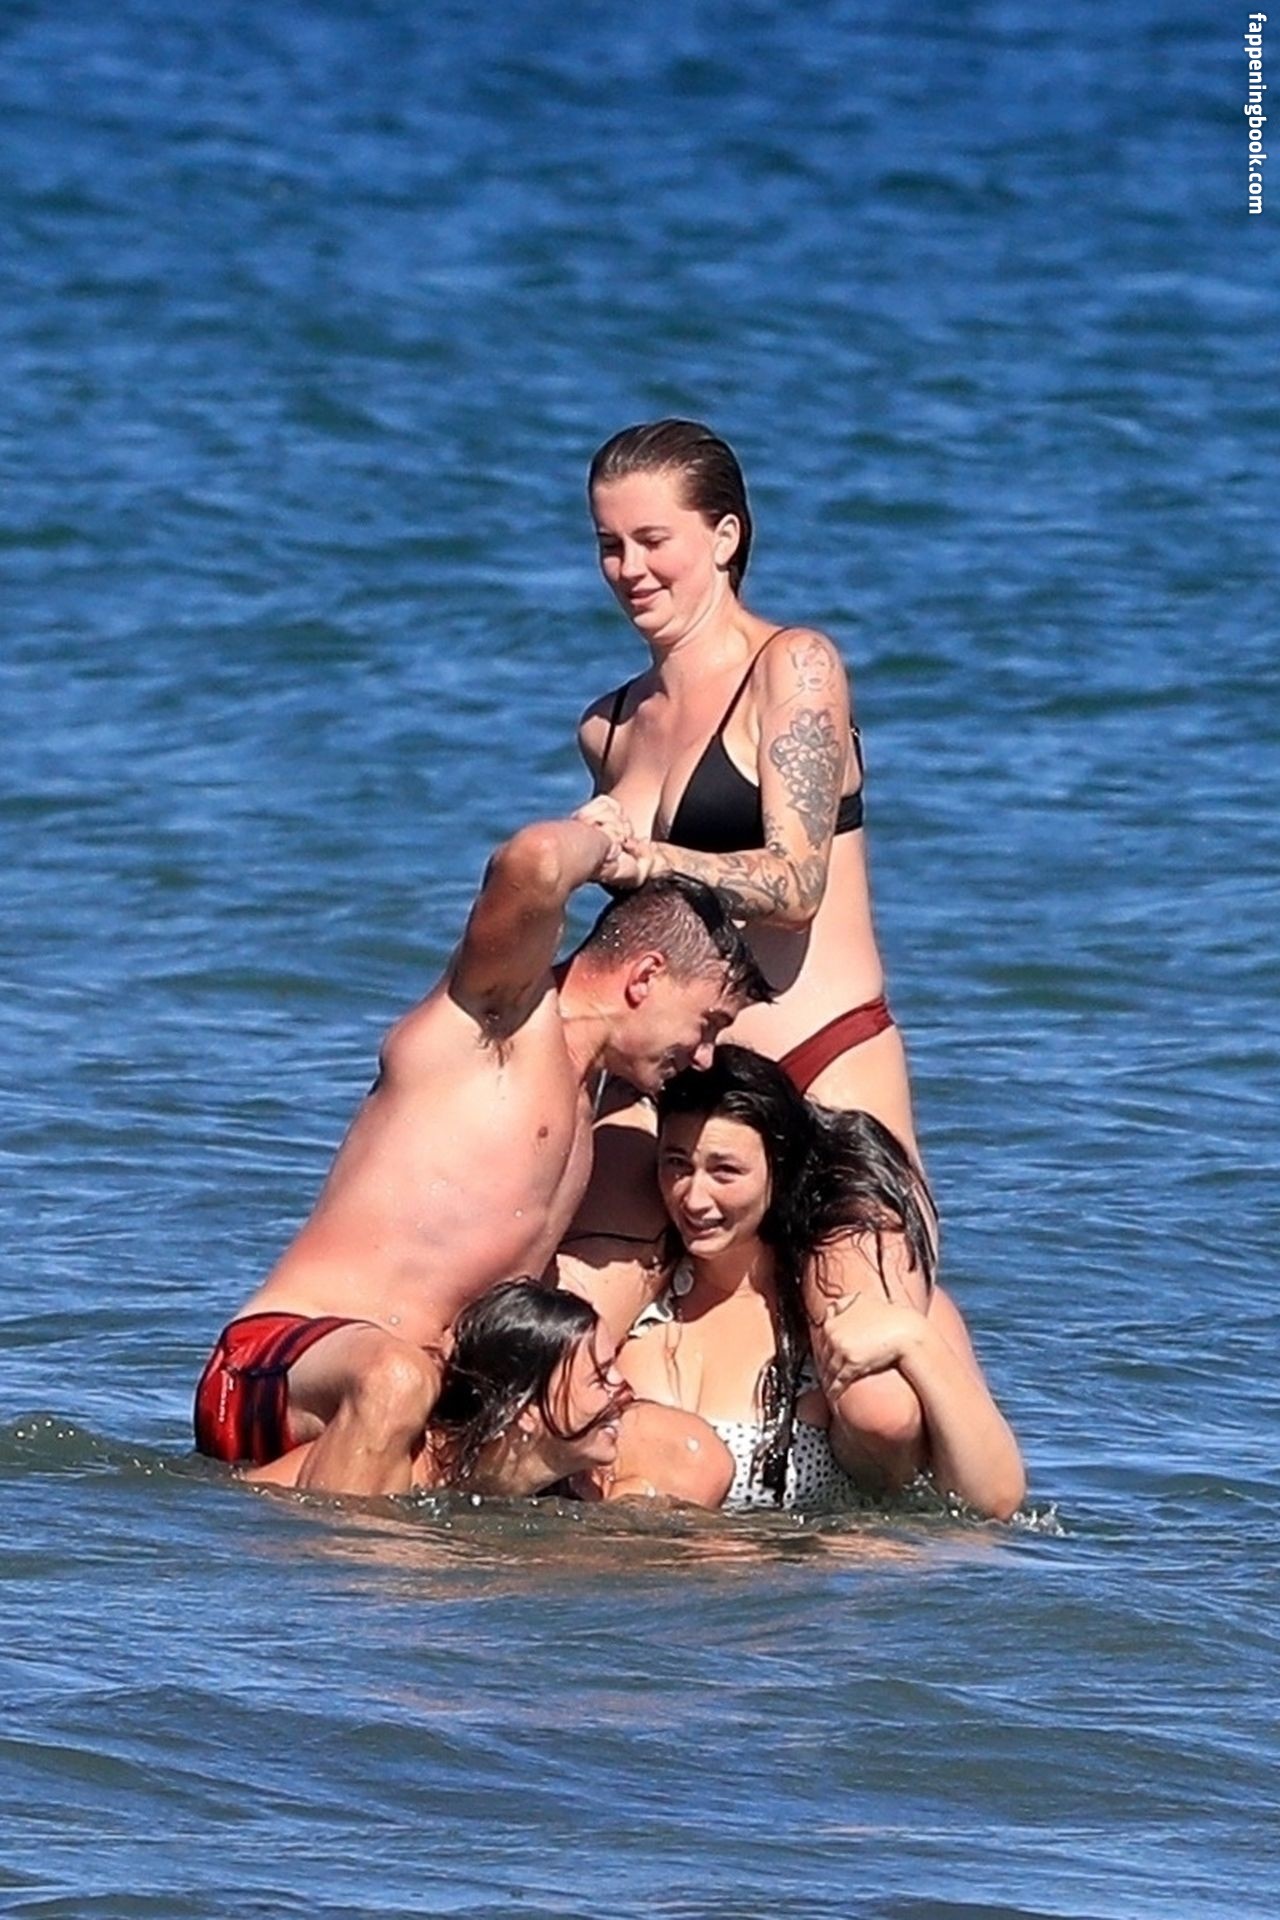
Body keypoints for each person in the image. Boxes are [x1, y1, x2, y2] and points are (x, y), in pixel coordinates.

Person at [193, 813, 770, 1496]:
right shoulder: (497, 1019)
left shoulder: (591, 1108)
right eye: (707, 1024)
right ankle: (331, 1568)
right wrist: (616, 852)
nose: (703, 1055)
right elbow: (536, 859)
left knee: (686, 1455)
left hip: (440, 1405)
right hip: (284, 1367)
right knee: (395, 1378)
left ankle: (516, 1568)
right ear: (645, 976)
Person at [577, 418, 917, 1155]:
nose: (630, 568)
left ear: (725, 537)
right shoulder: (609, 726)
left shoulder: (794, 668)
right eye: (610, 545)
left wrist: (648, 861)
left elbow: (796, 888)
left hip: (820, 1059)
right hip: (669, 1086)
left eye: (653, 540)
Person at [604, 1046, 1024, 1518]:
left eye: (725, 1171)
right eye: (677, 1164)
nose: (693, 1197)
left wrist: (916, 1340)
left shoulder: (872, 1304)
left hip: (820, 1561)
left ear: (780, 1171)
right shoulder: (633, 1307)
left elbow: (994, 1503)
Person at [245, 1279, 633, 1500]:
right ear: (524, 1410)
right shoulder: (395, 1474)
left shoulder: (575, 1486)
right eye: (600, 1377)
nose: (623, 1387)